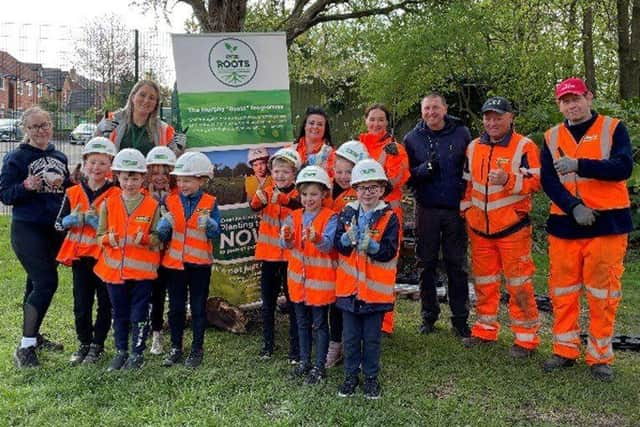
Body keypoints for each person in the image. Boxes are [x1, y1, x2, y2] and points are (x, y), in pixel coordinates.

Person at [541, 77, 633, 381]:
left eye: (576, 98)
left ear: (589, 97)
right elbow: (549, 181)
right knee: (563, 292)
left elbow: (623, 167)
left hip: (607, 225)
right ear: (559, 105)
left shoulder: (612, 128)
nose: (572, 105)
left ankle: (599, 357)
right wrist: (573, 206)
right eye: (565, 101)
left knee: (602, 294)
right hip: (565, 225)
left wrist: (581, 165)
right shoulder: (551, 136)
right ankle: (564, 350)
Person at [460, 97, 541, 358]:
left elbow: (537, 182)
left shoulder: (524, 146)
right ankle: (485, 329)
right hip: (480, 230)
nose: (492, 122)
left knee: (519, 284)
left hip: (512, 229)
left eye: (498, 117)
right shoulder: (473, 147)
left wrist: (509, 179)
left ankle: (526, 339)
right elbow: (467, 183)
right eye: (488, 117)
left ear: (510, 117)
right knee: (485, 282)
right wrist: (466, 210)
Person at [1, 106, 70, 368]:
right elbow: (6, 194)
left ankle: (34, 335)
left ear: (51, 125)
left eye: (44, 125)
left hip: (53, 229)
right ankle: (25, 347)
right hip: (27, 228)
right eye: (34, 127)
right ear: (26, 130)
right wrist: (26, 186)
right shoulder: (16, 158)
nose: (41, 130)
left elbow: (65, 192)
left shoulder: (59, 156)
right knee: (46, 283)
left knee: (34, 284)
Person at [404, 93, 471, 337]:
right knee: (426, 263)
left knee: (456, 264)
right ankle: (429, 316)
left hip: (455, 209)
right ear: (421, 112)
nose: (431, 112)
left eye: (435, 108)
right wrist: (423, 169)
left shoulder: (461, 133)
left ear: (444, 109)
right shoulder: (412, 138)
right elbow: (406, 175)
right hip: (427, 208)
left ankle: (460, 319)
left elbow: (470, 168)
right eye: (426, 108)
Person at [334, 159, 400, 399]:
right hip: (349, 291)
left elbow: (389, 251)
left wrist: (373, 247)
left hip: (375, 293)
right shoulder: (347, 212)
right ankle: (351, 376)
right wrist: (343, 241)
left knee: (371, 340)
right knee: (350, 339)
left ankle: (371, 378)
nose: (367, 192)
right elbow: (338, 246)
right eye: (362, 187)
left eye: (373, 187)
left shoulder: (389, 217)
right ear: (355, 189)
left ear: (382, 189)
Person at [94, 148, 162, 371]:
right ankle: (121, 351)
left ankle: (137, 353)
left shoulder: (152, 206)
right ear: (117, 178)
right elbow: (99, 236)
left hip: (142, 273)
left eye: (134, 178)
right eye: (125, 178)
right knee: (119, 313)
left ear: (143, 178)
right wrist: (108, 239)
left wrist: (147, 239)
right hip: (115, 273)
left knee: (139, 313)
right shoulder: (108, 204)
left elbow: (159, 239)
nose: (130, 183)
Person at [55, 137, 119, 365]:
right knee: (81, 303)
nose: (96, 168)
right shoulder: (72, 193)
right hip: (81, 257)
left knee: (105, 302)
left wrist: (99, 223)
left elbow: (121, 225)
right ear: (84, 164)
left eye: (102, 163)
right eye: (92, 162)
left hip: (105, 256)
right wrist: (73, 219)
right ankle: (83, 342)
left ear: (110, 165)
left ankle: (97, 345)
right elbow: (58, 223)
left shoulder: (116, 193)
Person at [157, 151, 219, 368]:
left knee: (198, 308)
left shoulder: (210, 203)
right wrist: (163, 226)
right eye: (180, 179)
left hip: (200, 266)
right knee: (175, 308)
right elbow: (161, 235)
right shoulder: (170, 200)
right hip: (174, 266)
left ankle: (197, 349)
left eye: (188, 180)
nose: (182, 184)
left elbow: (216, 232)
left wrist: (210, 225)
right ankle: (176, 347)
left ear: (201, 180)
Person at [280, 166, 338, 384]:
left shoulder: (330, 217)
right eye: (304, 194)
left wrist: (317, 238)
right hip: (298, 284)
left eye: (314, 194)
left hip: (320, 285)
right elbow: (284, 244)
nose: (308, 199)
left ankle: (319, 366)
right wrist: (285, 237)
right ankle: (305, 362)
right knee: (302, 324)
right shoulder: (292, 217)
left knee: (320, 325)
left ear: (324, 194)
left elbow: (328, 245)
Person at [359, 103, 410, 334]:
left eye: (381, 119)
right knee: (360, 265)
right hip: (360, 212)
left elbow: (398, 178)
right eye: (372, 119)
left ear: (387, 122)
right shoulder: (357, 147)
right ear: (365, 121)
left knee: (384, 266)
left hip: (388, 213)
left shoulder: (394, 148)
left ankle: (384, 323)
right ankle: (361, 314)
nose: (376, 124)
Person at [250, 147, 301, 362]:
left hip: (291, 259)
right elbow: (253, 206)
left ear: (294, 174)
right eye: (277, 171)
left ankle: (295, 348)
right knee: (268, 303)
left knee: (294, 303)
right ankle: (268, 345)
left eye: (285, 172)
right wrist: (258, 199)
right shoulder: (267, 191)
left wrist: (283, 200)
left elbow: (298, 207)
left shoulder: (299, 194)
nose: (280, 175)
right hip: (269, 257)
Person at [325, 140, 369, 369]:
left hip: (351, 258)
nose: (343, 176)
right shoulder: (327, 188)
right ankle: (335, 345)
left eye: (348, 172)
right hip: (329, 257)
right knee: (334, 303)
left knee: (353, 302)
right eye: (339, 171)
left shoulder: (361, 193)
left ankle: (357, 347)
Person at [145, 146, 178, 356]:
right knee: (153, 296)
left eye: (165, 173)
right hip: (150, 254)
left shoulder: (178, 194)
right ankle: (155, 334)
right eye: (155, 173)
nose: (160, 178)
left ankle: (174, 337)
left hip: (173, 254)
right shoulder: (140, 194)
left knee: (173, 297)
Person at [96, 79, 183, 156]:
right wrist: (99, 131)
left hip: (149, 174)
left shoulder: (164, 129)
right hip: (116, 174)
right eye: (142, 95)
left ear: (156, 104)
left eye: (152, 98)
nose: (146, 100)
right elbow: (91, 150)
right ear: (133, 97)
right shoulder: (112, 120)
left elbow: (172, 160)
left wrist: (180, 148)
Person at [291, 106, 336, 175]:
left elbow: (332, 178)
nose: (315, 127)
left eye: (320, 124)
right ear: (305, 126)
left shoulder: (331, 154)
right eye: (311, 123)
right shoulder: (290, 150)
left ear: (325, 129)